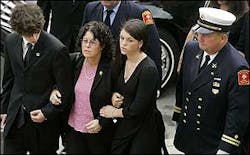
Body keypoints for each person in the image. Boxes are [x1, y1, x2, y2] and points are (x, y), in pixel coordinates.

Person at [172, 7, 249, 154]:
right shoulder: (191, 49)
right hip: (189, 137)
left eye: (207, 35)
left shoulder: (237, 67)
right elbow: (182, 87)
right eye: (199, 32)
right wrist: (178, 117)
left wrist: (225, 148)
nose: (200, 37)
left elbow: (238, 113)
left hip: (212, 144)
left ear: (223, 38)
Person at [0, 4, 74, 154]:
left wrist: (47, 112)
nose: (34, 37)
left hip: (42, 125)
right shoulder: (10, 41)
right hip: (15, 117)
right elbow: (8, 80)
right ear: (18, 31)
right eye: (29, 34)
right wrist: (4, 110)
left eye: (36, 32)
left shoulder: (57, 49)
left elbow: (66, 92)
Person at [99, 19, 167, 154]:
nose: (123, 43)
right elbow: (115, 85)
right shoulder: (122, 59)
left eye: (130, 40)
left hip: (142, 129)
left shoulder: (148, 69)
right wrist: (114, 96)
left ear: (140, 43)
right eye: (122, 38)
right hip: (124, 125)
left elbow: (139, 109)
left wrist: (113, 112)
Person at [49, 21, 116, 154]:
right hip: (73, 130)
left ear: (102, 46)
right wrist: (54, 90)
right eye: (85, 41)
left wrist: (102, 122)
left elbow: (116, 101)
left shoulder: (111, 68)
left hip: (98, 132)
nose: (87, 46)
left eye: (93, 42)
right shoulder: (74, 61)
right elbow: (57, 78)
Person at [82, 0, 162, 90]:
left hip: (121, 77)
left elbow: (154, 47)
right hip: (96, 75)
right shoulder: (91, 8)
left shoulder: (139, 12)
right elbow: (83, 39)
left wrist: (156, 85)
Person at [177, 1, 249, 73]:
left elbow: (241, 48)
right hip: (199, 57)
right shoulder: (208, 7)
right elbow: (193, 33)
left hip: (224, 66)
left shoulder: (243, 16)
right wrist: (181, 63)